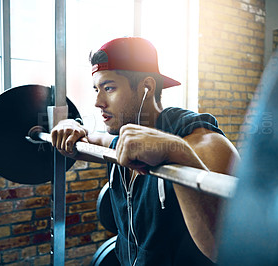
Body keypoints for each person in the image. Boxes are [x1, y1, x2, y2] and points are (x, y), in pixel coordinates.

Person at [51, 37, 240, 265]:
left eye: (109, 88)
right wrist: (70, 126)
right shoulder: (121, 141)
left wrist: (177, 153)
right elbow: (87, 141)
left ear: (146, 87)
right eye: (96, 89)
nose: (98, 102)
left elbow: (234, 251)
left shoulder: (205, 143)